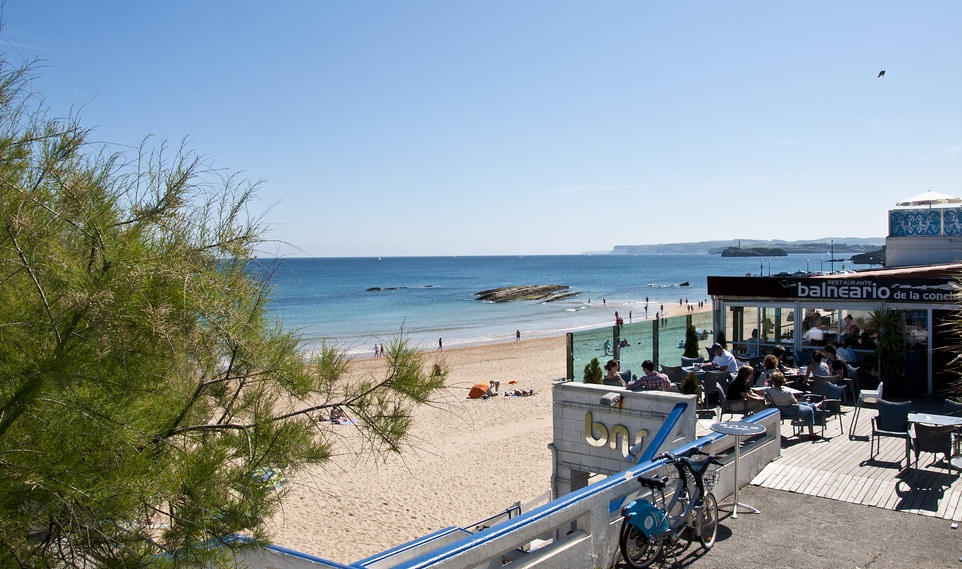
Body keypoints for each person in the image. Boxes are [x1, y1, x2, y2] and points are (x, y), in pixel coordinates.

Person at [762, 372, 821, 440]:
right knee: (809, 410)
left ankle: (815, 405)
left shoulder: (769, 391)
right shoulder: (787, 393)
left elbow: (762, 391)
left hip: (778, 409)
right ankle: (811, 433)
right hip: (790, 410)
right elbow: (795, 402)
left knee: (806, 404)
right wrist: (794, 397)